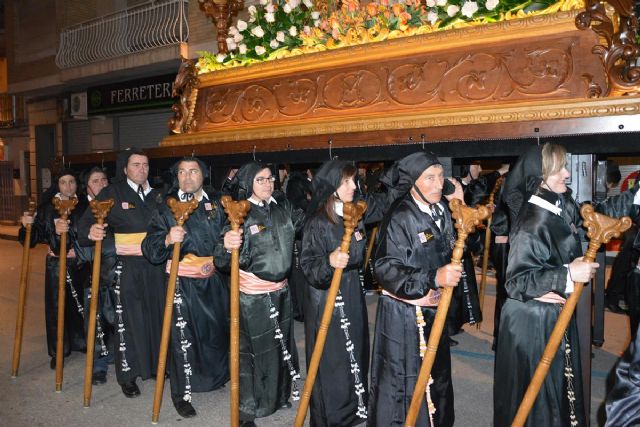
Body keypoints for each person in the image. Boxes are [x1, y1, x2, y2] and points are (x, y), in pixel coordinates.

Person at [494, 143, 640, 427]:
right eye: (558, 169)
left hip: (551, 312)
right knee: (537, 397)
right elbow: (515, 282)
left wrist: (635, 196)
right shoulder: (531, 222)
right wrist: (566, 273)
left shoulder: (558, 203)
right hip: (530, 321)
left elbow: (595, 214)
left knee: (558, 388)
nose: (567, 175)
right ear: (538, 177)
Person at [368, 152, 464, 427]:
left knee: (438, 375)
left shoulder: (442, 208)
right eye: (429, 178)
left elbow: (453, 248)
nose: (437, 184)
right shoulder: (400, 216)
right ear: (413, 183)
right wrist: (433, 276)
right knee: (406, 381)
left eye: (440, 177)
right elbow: (384, 269)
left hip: (436, 309)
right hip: (406, 316)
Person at [218, 162, 304, 427]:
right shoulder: (240, 212)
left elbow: (305, 221)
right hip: (252, 297)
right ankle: (248, 409)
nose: (267, 184)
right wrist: (226, 245)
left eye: (270, 179)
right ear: (248, 184)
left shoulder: (281, 208)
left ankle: (277, 397)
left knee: (279, 348)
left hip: (281, 292)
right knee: (253, 354)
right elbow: (222, 260)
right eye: (260, 180)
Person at [142, 157, 229, 418]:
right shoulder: (166, 208)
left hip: (213, 281)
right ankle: (181, 393)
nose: (187, 177)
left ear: (203, 175)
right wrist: (168, 238)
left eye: (193, 171)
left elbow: (225, 236)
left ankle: (213, 378)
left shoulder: (217, 204)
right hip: (181, 284)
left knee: (215, 333)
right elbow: (150, 246)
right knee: (182, 340)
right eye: (182, 172)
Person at [299, 160, 384, 426]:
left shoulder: (353, 214)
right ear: (331, 184)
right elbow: (309, 265)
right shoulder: (317, 222)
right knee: (332, 356)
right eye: (346, 181)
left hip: (351, 290)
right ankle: (332, 415)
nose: (353, 186)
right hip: (326, 294)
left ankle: (355, 408)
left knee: (356, 347)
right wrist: (329, 261)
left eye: (354, 180)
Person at [79, 149, 165, 399]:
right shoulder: (112, 193)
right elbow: (85, 224)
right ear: (125, 169)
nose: (142, 169)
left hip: (157, 267)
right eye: (136, 165)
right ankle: (127, 376)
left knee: (155, 317)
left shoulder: (158, 193)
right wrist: (92, 231)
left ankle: (154, 366)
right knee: (128, 322)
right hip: (128, 267)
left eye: (146, 165)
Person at [19, 170, 89, 369]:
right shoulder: (48, 209)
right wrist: (27, 227)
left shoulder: (84, 207)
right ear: (57, 185)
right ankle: (58, 349)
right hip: (56, 264)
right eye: (63, 182)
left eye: (72, 181)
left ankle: (80, 341)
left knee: (79, 305)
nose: (68, 186)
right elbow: (31, 240)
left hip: (79, 265)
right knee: (56, 307)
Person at [77, 166, 113, 385]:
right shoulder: (83, 207)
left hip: (115, 272)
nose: (101, 184)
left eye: (104, 179)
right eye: (96, 180)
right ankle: (98, 367)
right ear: (88, 186)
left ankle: (120, 359)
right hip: (93, 273)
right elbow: (80, 239)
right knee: (96, 321)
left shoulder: (114, 203)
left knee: (116, 319)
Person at [286, 170, 313, 322]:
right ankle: (300, 310)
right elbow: (297, 204)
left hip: (307, 229)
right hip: (300, 232)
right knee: (299, 274)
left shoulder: (307, 180)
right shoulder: (295, 182)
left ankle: (304, 308)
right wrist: (311, 202)